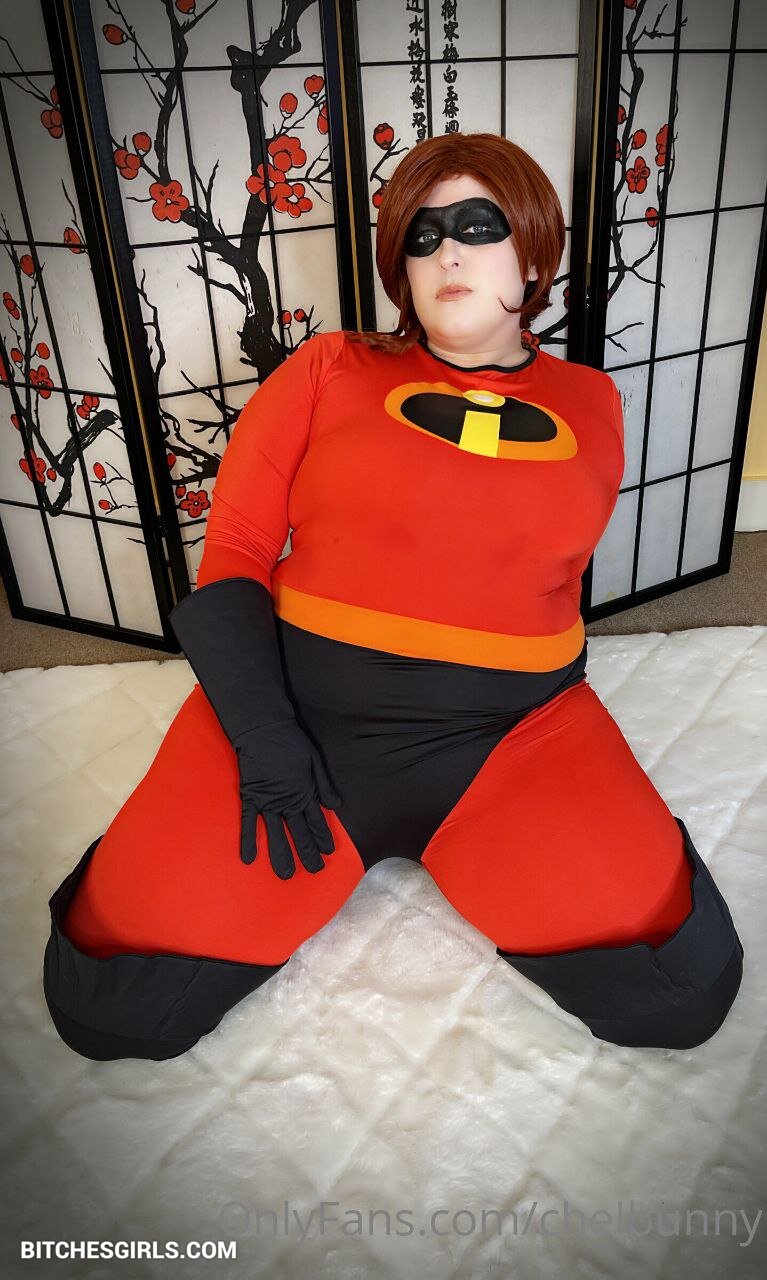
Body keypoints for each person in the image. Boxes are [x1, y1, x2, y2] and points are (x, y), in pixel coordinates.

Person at [43, 133, 743, 1062]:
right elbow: (237, 552)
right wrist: (262, 735)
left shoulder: (592, 400)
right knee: (113, 1010)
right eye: (421, 235)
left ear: (534, 255)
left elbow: (548, 575)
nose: (446, 251)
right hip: (298, 727)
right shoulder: (330, 366)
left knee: (678, 997)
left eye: (478, 226)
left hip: (512, 735)